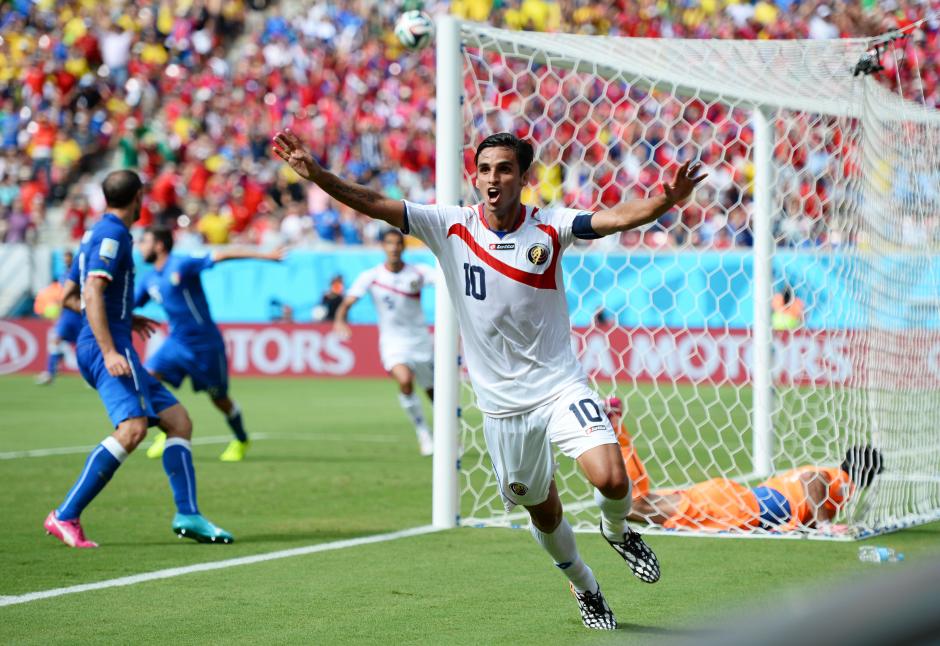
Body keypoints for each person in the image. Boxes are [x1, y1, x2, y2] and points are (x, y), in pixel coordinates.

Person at [273, 129, 706, 630]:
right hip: (502, 408)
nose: (492, 178)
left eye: (504, 168)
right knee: (541, 511)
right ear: (474, 177)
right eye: (484, 169)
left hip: (559, 384)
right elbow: (373, 202)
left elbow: (612, 219)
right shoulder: (449, 225)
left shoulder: (551, 226)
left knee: (610, 477)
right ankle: (586, 585)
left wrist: (666, 201)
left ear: (523, 177)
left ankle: (616, 530)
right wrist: (320, 176)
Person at [44, 170, 233, 548]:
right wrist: (110, 348)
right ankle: (65, 514)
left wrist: (125, 318)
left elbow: (68, 295)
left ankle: (188, 514)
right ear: (139, 198)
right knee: (132, 430)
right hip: (106, 346)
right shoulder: (112, 235)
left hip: (113, 338)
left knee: (178, 421)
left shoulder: (96, 234)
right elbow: (92, 293)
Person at [603, 398, 884, 532]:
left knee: (628, 509)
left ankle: (617, 429)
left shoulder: (834, 480)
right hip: (741, 508)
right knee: (633, 506)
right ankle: (616, 427)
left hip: (733, 501)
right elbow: (812, 479)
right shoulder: (839, 482)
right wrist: (824, 526)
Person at [135, 227, 284, 462]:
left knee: (220, 399)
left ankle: (241, 438)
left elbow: (221, 255)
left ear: (160, 245)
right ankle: (169, 427)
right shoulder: (149, 279)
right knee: (146, 377)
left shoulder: (182, 265)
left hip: (206, 346)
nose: (139, 246)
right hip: (176, 343)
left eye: (144, 240)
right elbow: (129, 305)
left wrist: (264, 255)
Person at [334, 229, 435, 456]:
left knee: (434, 393)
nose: (394, 247)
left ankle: (449, 434)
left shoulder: (418, 273)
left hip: (420, 341)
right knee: (405, 380)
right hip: (392, 342)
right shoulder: (371, 276)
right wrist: (340, 320)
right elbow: (348, 302)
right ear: (383, 246)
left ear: (403, 247)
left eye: (398, 243)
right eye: (389, 243)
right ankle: (423, 433)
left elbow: (445, 280)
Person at [35, 250, 83, 385]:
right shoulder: (63, 276)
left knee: (84, 344)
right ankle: (50, 373)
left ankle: (92, 374)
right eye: (64, 258)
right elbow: (63, 296)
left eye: (68, 258)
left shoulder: (79, 274)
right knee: (56, 340)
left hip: (78, 314)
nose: (66, 260)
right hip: (67, 315)